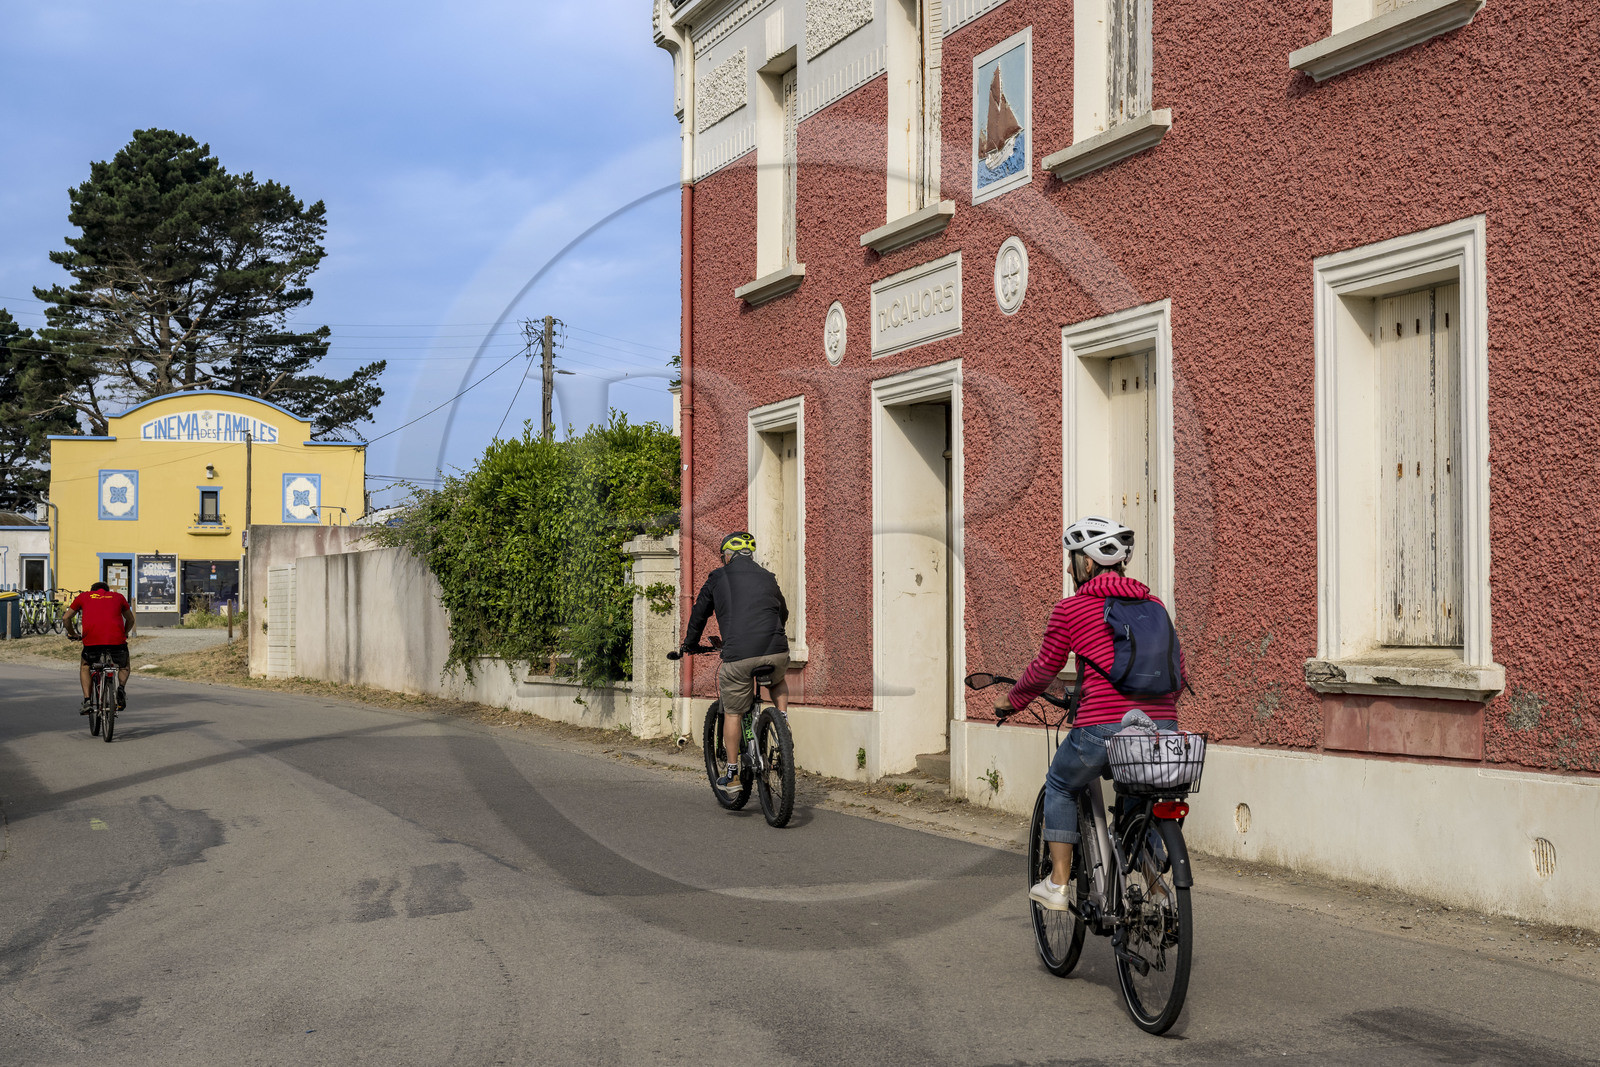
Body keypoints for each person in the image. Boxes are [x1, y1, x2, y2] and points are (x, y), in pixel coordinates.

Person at [995, 517, 1185, 911]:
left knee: (1061, 784)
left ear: (1088, 564)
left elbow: (1044, 670)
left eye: (1072, 559)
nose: (1068, 568)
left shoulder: (1071, 609)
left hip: (1100, 729)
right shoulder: (1156, 606)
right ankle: (1152, 880)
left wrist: (1011, 701)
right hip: (1160, 729)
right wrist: (1156, 711)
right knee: (1140, 790)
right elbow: (1178, 673)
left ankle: (1059, 884)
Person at [681, 532, 790, 791]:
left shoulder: (718, 577)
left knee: (733, 710)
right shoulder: (768, 577)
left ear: (727, 556)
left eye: (723, 556)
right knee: (777, 678)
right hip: (777, 650)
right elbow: (782, 612)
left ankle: (732, 774)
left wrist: (689, 644)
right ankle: (783, 725)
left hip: (739, 656)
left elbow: (699, 614)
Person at [66, 581, 137, 715]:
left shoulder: (84, 597)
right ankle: (121, 688)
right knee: (124, 665)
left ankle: (87, 700)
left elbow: (66, 618)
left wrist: (73, 633)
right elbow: (131, 620)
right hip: (117, 642)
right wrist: (124, 633)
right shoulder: (118, 597)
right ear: (107, 590)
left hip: (92, 643)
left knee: (85, 665)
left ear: (92, 590)